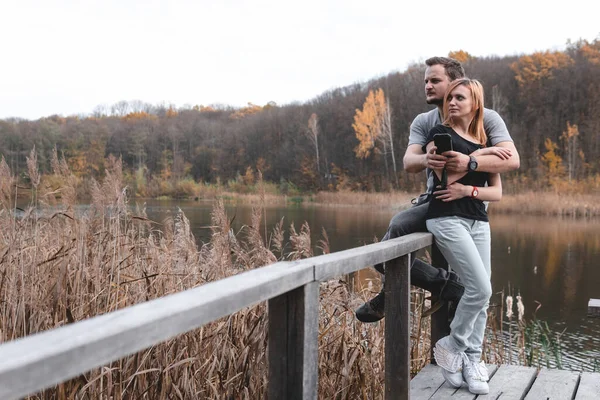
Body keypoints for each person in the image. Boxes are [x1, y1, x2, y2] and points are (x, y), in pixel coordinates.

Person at [355, 57, 519, 323]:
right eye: (426, 81)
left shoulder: (486, 118)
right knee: (387, 247)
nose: (428, 86)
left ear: (456, 83)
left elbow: (512, 160)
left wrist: (471, 160)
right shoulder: (425, 121)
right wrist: (426, 159)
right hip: (435, 200)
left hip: (469, 205)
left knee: (475, 284)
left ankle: (458, 341)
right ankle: (439, 286)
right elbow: (409, 162)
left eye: (435, 80)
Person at [426, 78, 501, 395]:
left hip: (478, 220)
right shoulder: (440, 136)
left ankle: (471, 360)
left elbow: (495, 193)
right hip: (447, 218)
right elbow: (445, 174)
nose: (452, 102)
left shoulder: (486, 144)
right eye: (450, 98)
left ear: (475, 103)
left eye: (460, 98)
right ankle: (451, 343)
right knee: (480, 287)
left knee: (483, 296)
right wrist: (468, 163)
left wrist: (471, 186)